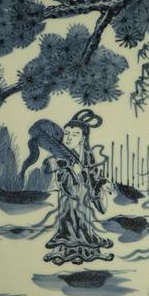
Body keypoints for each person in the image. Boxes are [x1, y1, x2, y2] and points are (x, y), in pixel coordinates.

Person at [42, 109, 114, 265]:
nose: (69, 137)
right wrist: (73, 172)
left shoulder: (87, 155)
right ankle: (66, 251)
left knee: (83, 223)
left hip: (84, 198)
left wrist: (102, 183)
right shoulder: (62, 156)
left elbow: (93, 176)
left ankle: (86, 251)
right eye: (66, 134)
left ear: (82, 138)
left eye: (75, 134)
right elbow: (63, 180)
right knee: (69, 222)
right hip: (69, 198)